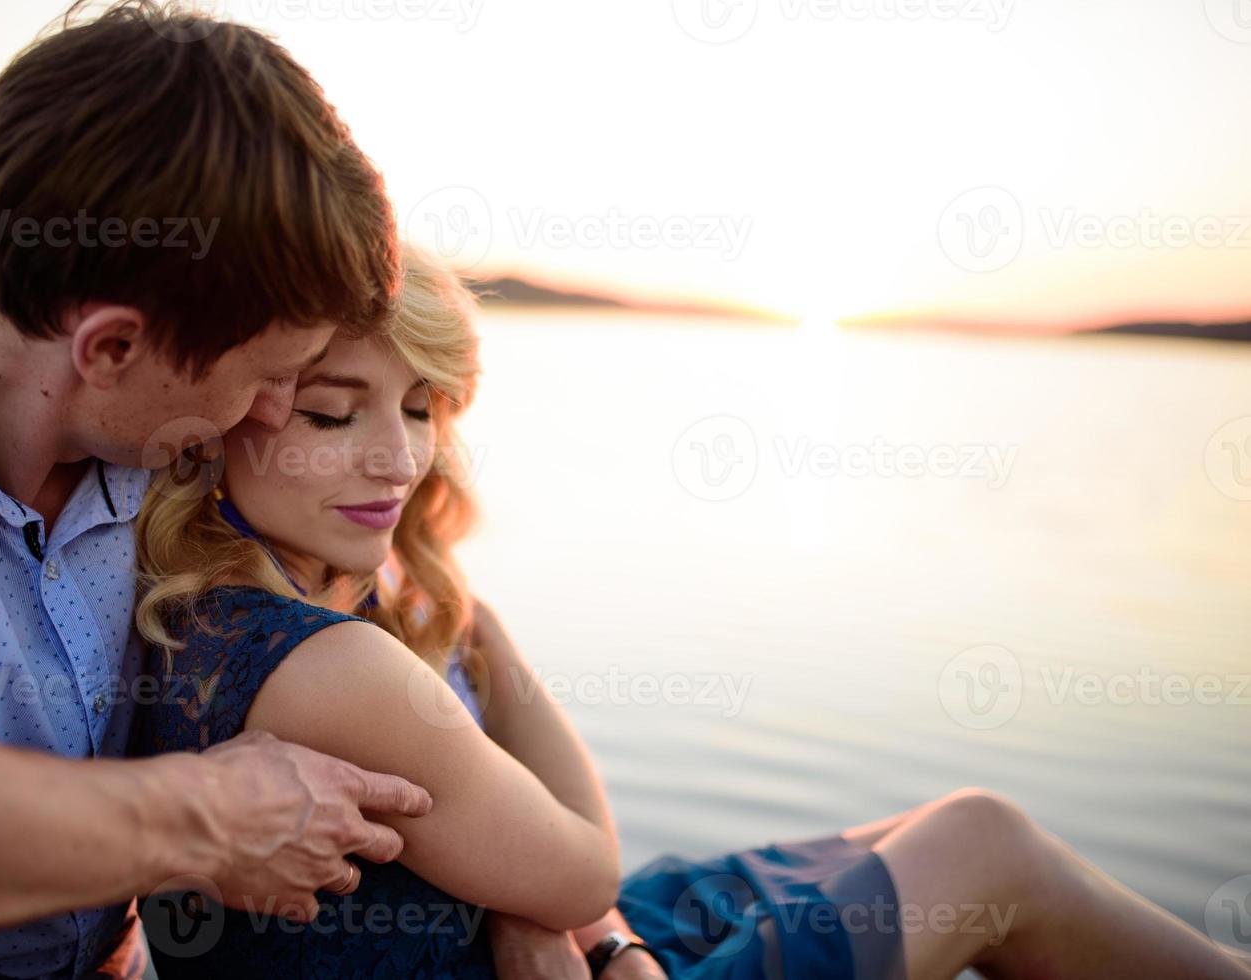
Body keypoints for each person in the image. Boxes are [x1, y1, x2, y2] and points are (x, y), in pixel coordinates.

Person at [136, 245, 1251, 979]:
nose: (399, 456)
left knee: (917, 835)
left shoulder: (218, 605)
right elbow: (578, 868)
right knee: (984, 843)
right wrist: (486, 637)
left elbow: (558, 887)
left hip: (586, 939)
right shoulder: (332, 664)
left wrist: (570, 921)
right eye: (334, 414)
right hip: (555, 939)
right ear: (229, 412)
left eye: (423, 407)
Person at [0, 4, 435, 977]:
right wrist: (205, 816)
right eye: (268, 375)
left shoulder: (172, 424)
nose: (274, 414)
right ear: (112, 347)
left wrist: (546, 910)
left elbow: (409, 587)